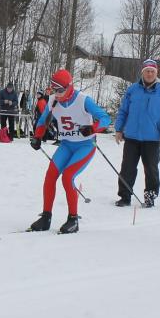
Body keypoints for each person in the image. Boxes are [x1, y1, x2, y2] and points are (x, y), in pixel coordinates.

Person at [27, 69, 111, 234]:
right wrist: (37, 136)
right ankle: (46, 217)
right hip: (66, 145)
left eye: (60, 90)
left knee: (68, 177)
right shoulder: (52, 100)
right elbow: (43, 120)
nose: (57, 94)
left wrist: (92, 128)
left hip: (85, 145)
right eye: (54, 90)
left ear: (69, 87)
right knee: (50, 176)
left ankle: (73, 219)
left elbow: (105, 118)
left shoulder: (83, 100)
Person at [113, 58, 160, 208]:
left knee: (151, 169)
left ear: (156, 73)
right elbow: (123, 111)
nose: (149, 73)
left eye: (152, 71)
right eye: (147, 71)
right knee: (127, 168)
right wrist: (119, 129)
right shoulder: (132, 90)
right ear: (142, 72)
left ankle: (150, 196)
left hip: (152, 139)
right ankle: (125, 196)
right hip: (132, 137)